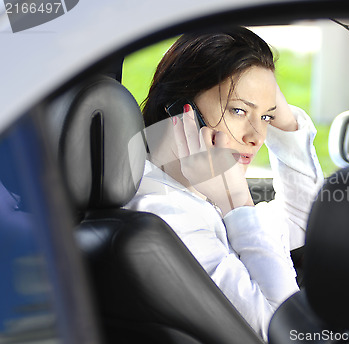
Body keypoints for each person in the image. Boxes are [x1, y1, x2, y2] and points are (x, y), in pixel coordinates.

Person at [125, 26, 324, 340]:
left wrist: (277, 112)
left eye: (266, 118)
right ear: (181, 110)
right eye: (239, 110)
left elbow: (304, 223)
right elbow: (289, 330)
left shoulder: (189, 193)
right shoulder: (167, 216)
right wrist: (237, 202)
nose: (256, 137)